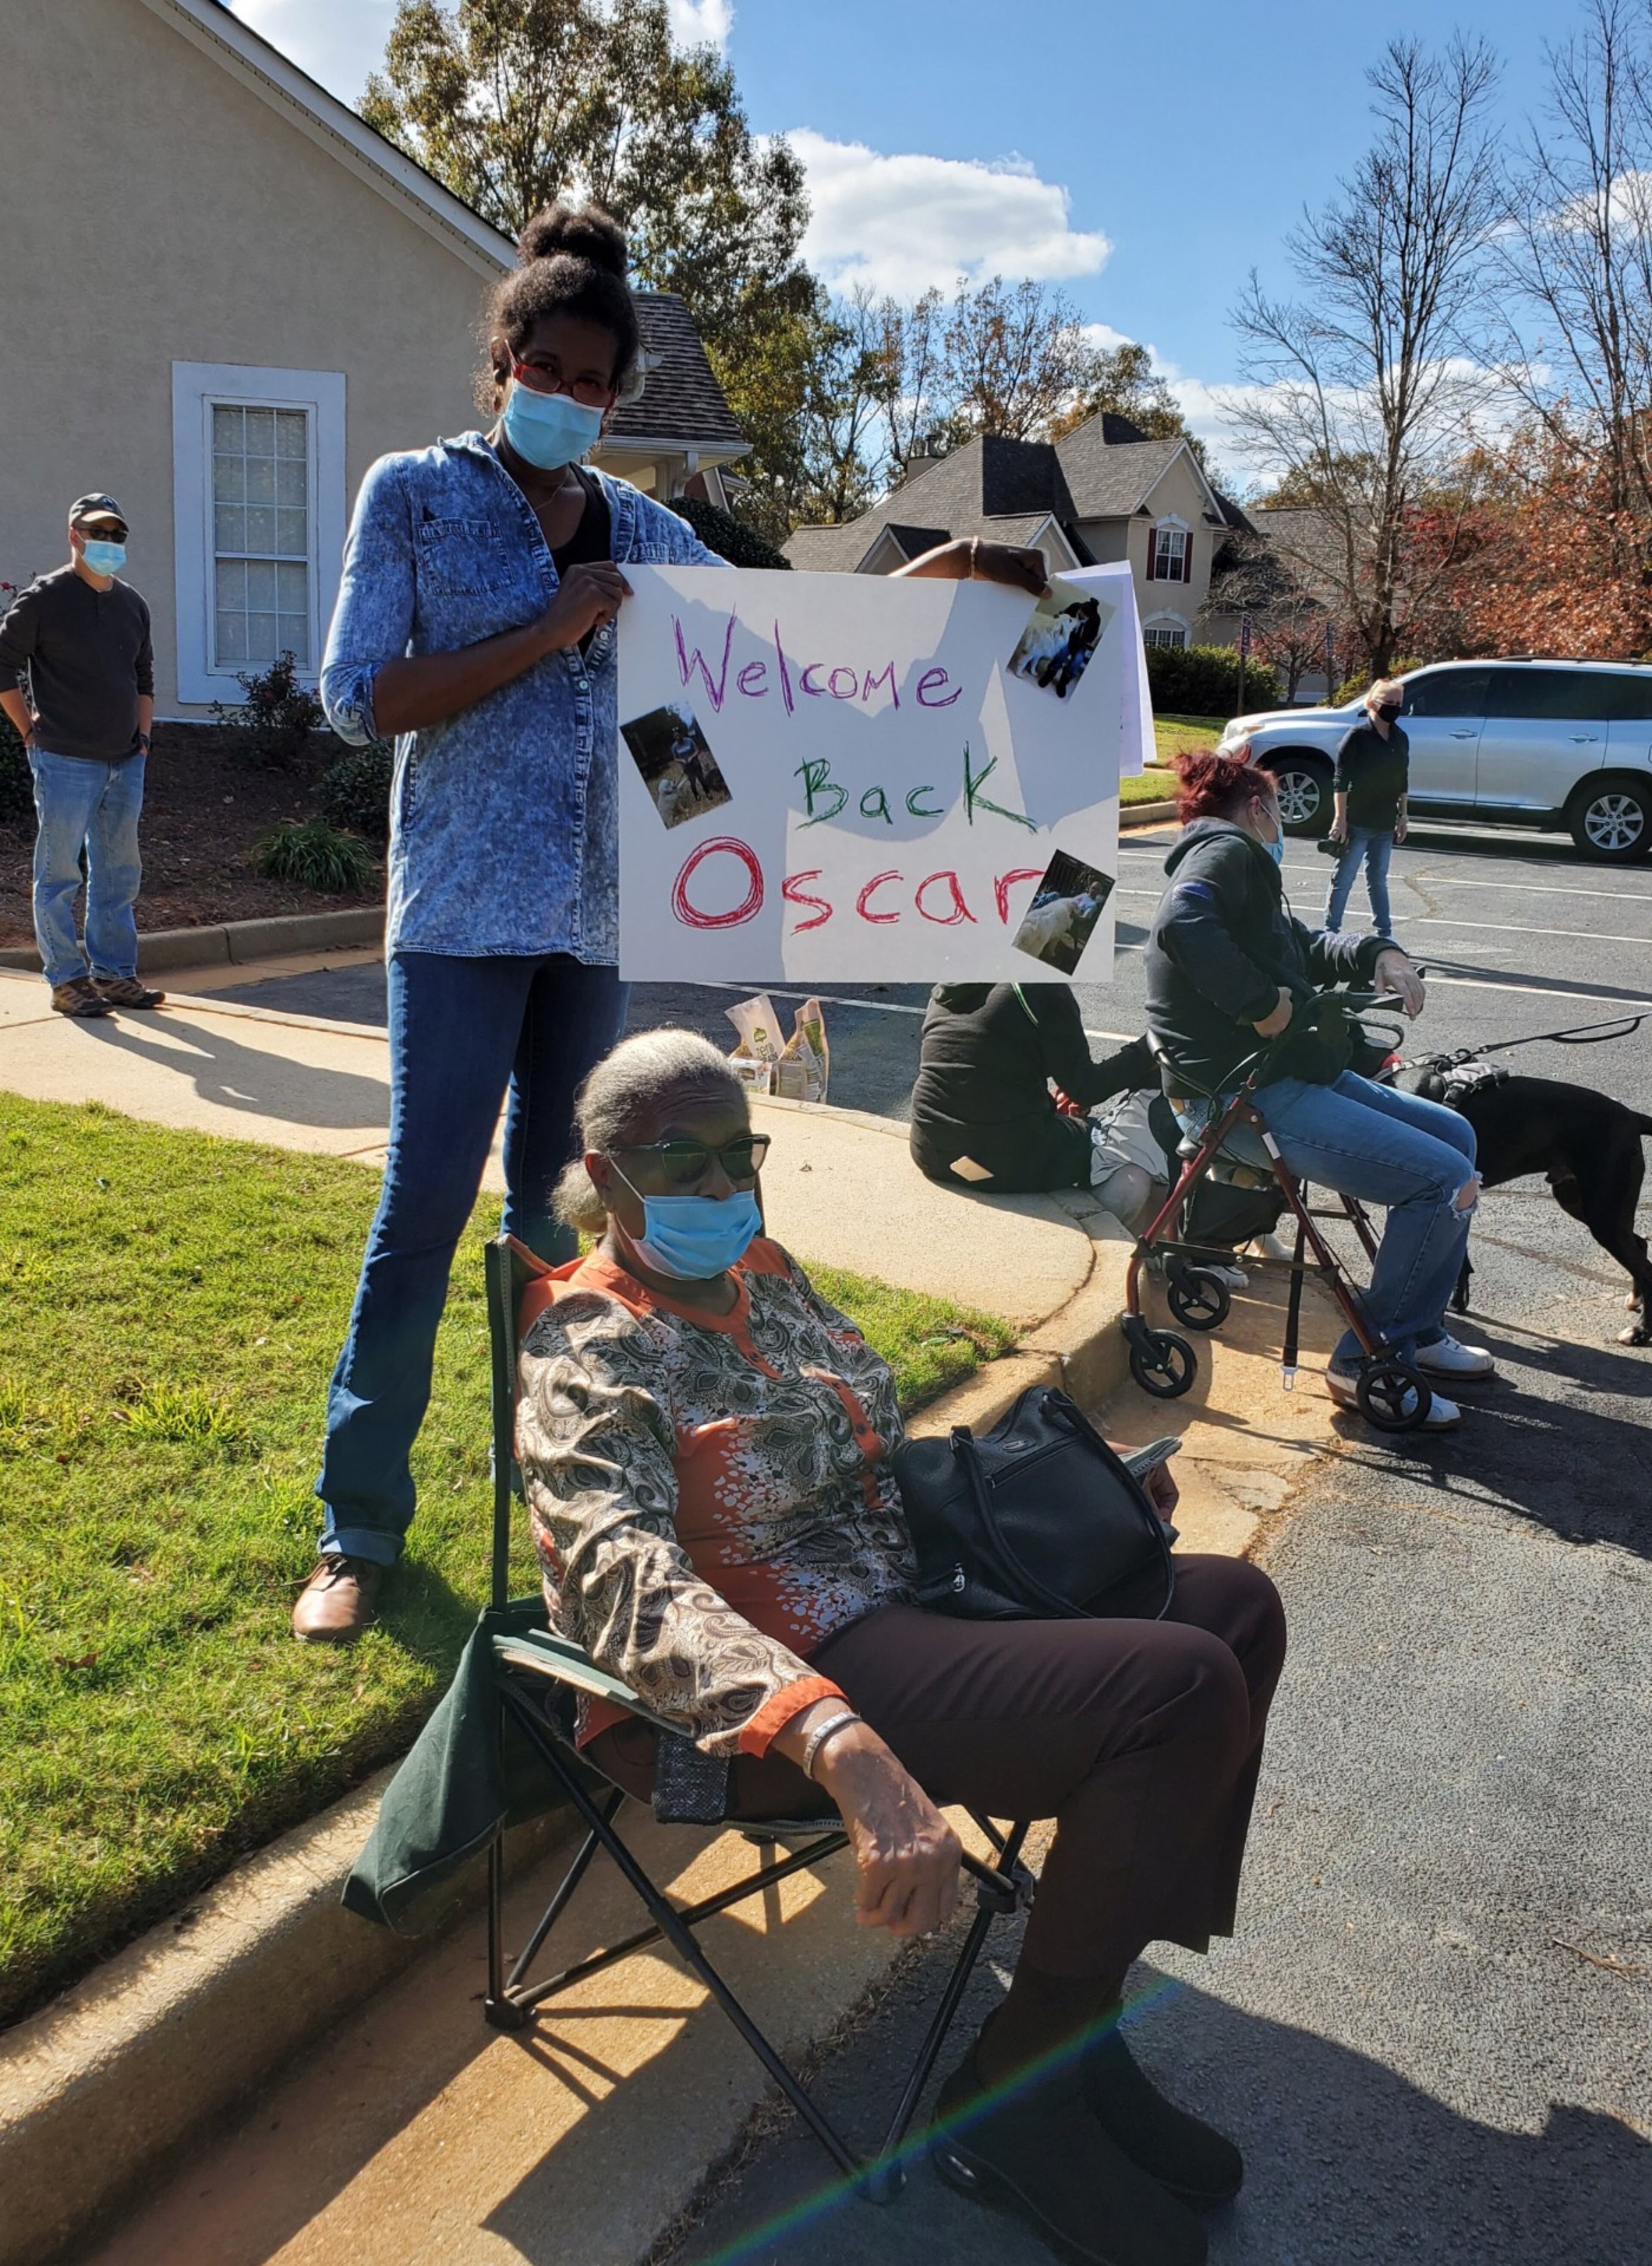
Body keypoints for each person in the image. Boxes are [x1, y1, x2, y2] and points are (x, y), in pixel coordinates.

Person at [302, 199, 1052, 1642]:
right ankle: (359, 1527)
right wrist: (549, 627)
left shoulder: (646, 527)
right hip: (460, 916)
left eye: (600, 383)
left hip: (593, 926)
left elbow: (783, 644)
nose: (576, 400)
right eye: (556, 369)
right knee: (418, 1212)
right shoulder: (416, 493)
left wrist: (962, 582)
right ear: (506, 355)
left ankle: (573, 1503)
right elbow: (359, 701)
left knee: (562, 1226)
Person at [517, 1028, 1287, 2266]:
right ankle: (1017, 2105)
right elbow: (621, 1583)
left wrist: (1079, 1509)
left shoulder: (765, 1272)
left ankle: (1068, 2030)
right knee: (1179, 1690)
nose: (723, 1189)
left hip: (911, 1603)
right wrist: (838, 1740)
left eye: (738, 1154)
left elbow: (874, 1452)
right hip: (766, 1700)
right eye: (685, 1162)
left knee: (1232, 1611)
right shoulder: (587, 1345)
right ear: (606, 1177)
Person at [1145, 750, 1493, 1431]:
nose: (1280, 824)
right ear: (1257, 809)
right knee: (1442, 1175)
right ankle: (1368, 1355)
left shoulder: (1231, 860)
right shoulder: (1226, 851)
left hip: (1283, 1074)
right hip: (1242, 1094)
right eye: (1276, 810)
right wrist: (1260, 1005)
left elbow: (1302, 943)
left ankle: (1418, 1330)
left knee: (1458, 1135)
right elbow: (1182, 924)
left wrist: (1378, 952)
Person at [0, 492, 165, 1019]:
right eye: (98, 533)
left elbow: (143, 677)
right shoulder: (44, 599)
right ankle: (67, 980)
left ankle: (114, 976)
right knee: (58, 875)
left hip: (125, 760)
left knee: (118, 874)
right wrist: (28, 730)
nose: (109, 544)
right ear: (75, 536)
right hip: (64, 760)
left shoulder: (132, 605)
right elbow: (3, 666)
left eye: (117, 535)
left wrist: (142, 740)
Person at [910, 981, 1156, 1209]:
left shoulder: (950, 985)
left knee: (1060, 1125)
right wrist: (1153, 1044)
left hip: (930, 1149)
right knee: (1134, 1159)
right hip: (1002, 1159)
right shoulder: (1040, 986)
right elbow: (1087, 1087)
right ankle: (1100, 1232)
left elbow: (980, 1059)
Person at [1324, 678, 1409, 938]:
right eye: (1388, 703)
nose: (1393, 708)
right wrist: (1341, 819)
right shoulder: (1357, 737)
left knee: (1378, 880)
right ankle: (1331, 931)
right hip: (1359, 819)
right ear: (1372, 704)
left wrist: (1403, 814)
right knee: (1344, 879)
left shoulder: (1400, 738)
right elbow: (1340, 781)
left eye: (1398, 704)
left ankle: (1385, 933)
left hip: (1385, 821)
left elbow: (1402, 778)